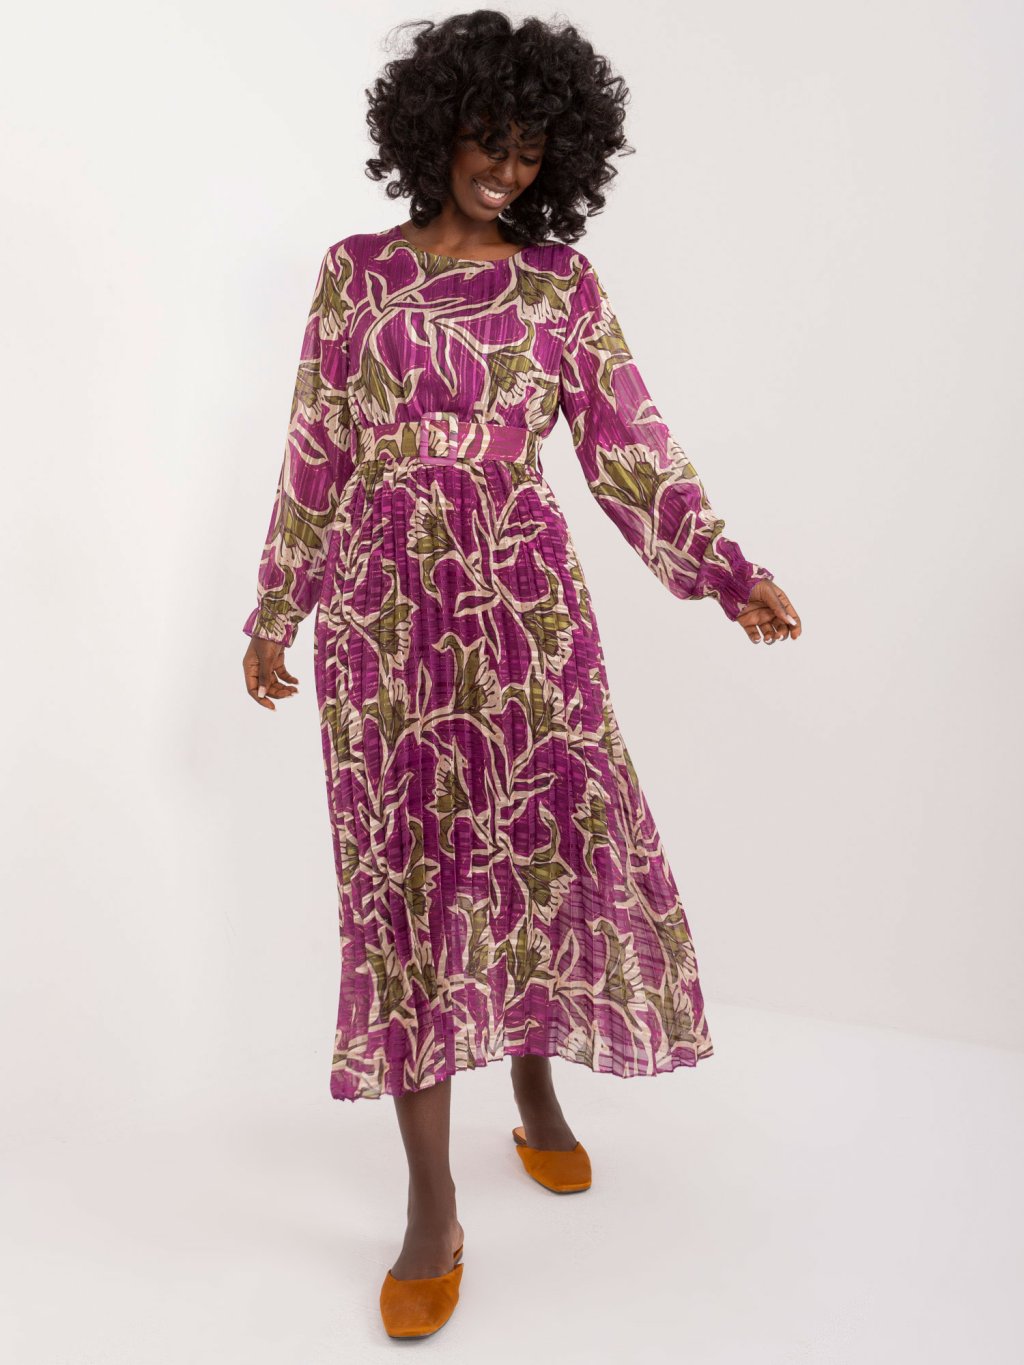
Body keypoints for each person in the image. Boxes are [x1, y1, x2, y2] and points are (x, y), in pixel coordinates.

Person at [241, 9, 801, 1341]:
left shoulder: (560, 287)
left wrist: (723, 569)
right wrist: (277, 605)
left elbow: (626, 443)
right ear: (437, 130)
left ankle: (539, 1088)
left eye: (532, 149)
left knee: (536, 841)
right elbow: (316, 445)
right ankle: (432, 1204)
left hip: (521, 605)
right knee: (408, 886)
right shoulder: (354, 276)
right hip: (383, 617)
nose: (506, 168)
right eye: (488, 139)